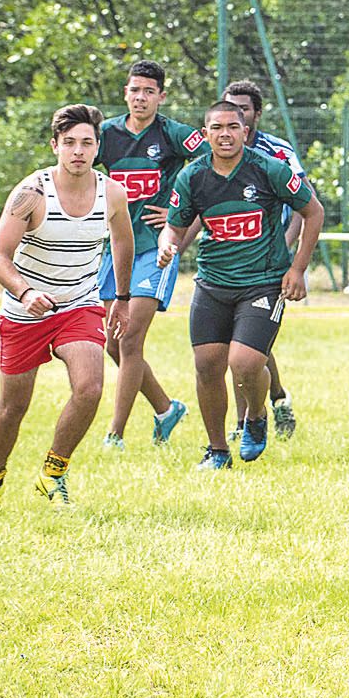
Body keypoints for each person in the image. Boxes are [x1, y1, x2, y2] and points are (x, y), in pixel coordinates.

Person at [0, 105, 135, 511]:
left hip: (79, 304)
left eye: (87, 143)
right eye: (69, 143)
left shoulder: (112, 193)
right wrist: (25, 291)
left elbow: (123, 242)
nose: (78, 151)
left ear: (97, 147)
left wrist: (121, 298)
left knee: (90, 388)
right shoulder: (30, 194)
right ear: (55, 146)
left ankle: (52, 473)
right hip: (25, 311)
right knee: (13, 408)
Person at [157, 101, 324, 469]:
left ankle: (255, 417)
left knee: (245, 364)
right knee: (207, 365)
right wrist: (166, 243)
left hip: (263, 283)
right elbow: (175, 223)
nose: (225, 134)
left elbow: (314, 211)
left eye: (233, 127)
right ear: (205, 134)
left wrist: (297, 269)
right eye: (216, 128)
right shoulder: (193, 176)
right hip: (212, 283)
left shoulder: (269, 170)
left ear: (245, 131)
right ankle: (217, 451)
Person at [94, 60, 200, 449]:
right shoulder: (106, 135)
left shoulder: (173, 134)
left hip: (155, 250)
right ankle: (166, 409)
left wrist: (179, 212)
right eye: (134, 89)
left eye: (149, 91)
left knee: (130, 338)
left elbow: (217, 162)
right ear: (125, 92)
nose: (140, 97)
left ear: (161, 96)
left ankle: (115, 435)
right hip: (117, 249)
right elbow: (77, 166)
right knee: (112, 340)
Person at [220, 80, 306, 439]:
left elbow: (305, 205)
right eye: (230, 107)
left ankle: (245, 425)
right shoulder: (217, 148)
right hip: (228, 262)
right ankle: (278, 400)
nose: (236, 115)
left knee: (248, 345)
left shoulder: (277, 152)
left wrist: (287, 255)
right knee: (243, 343)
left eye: (243, 109)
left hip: (269, 262)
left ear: (257, 113)